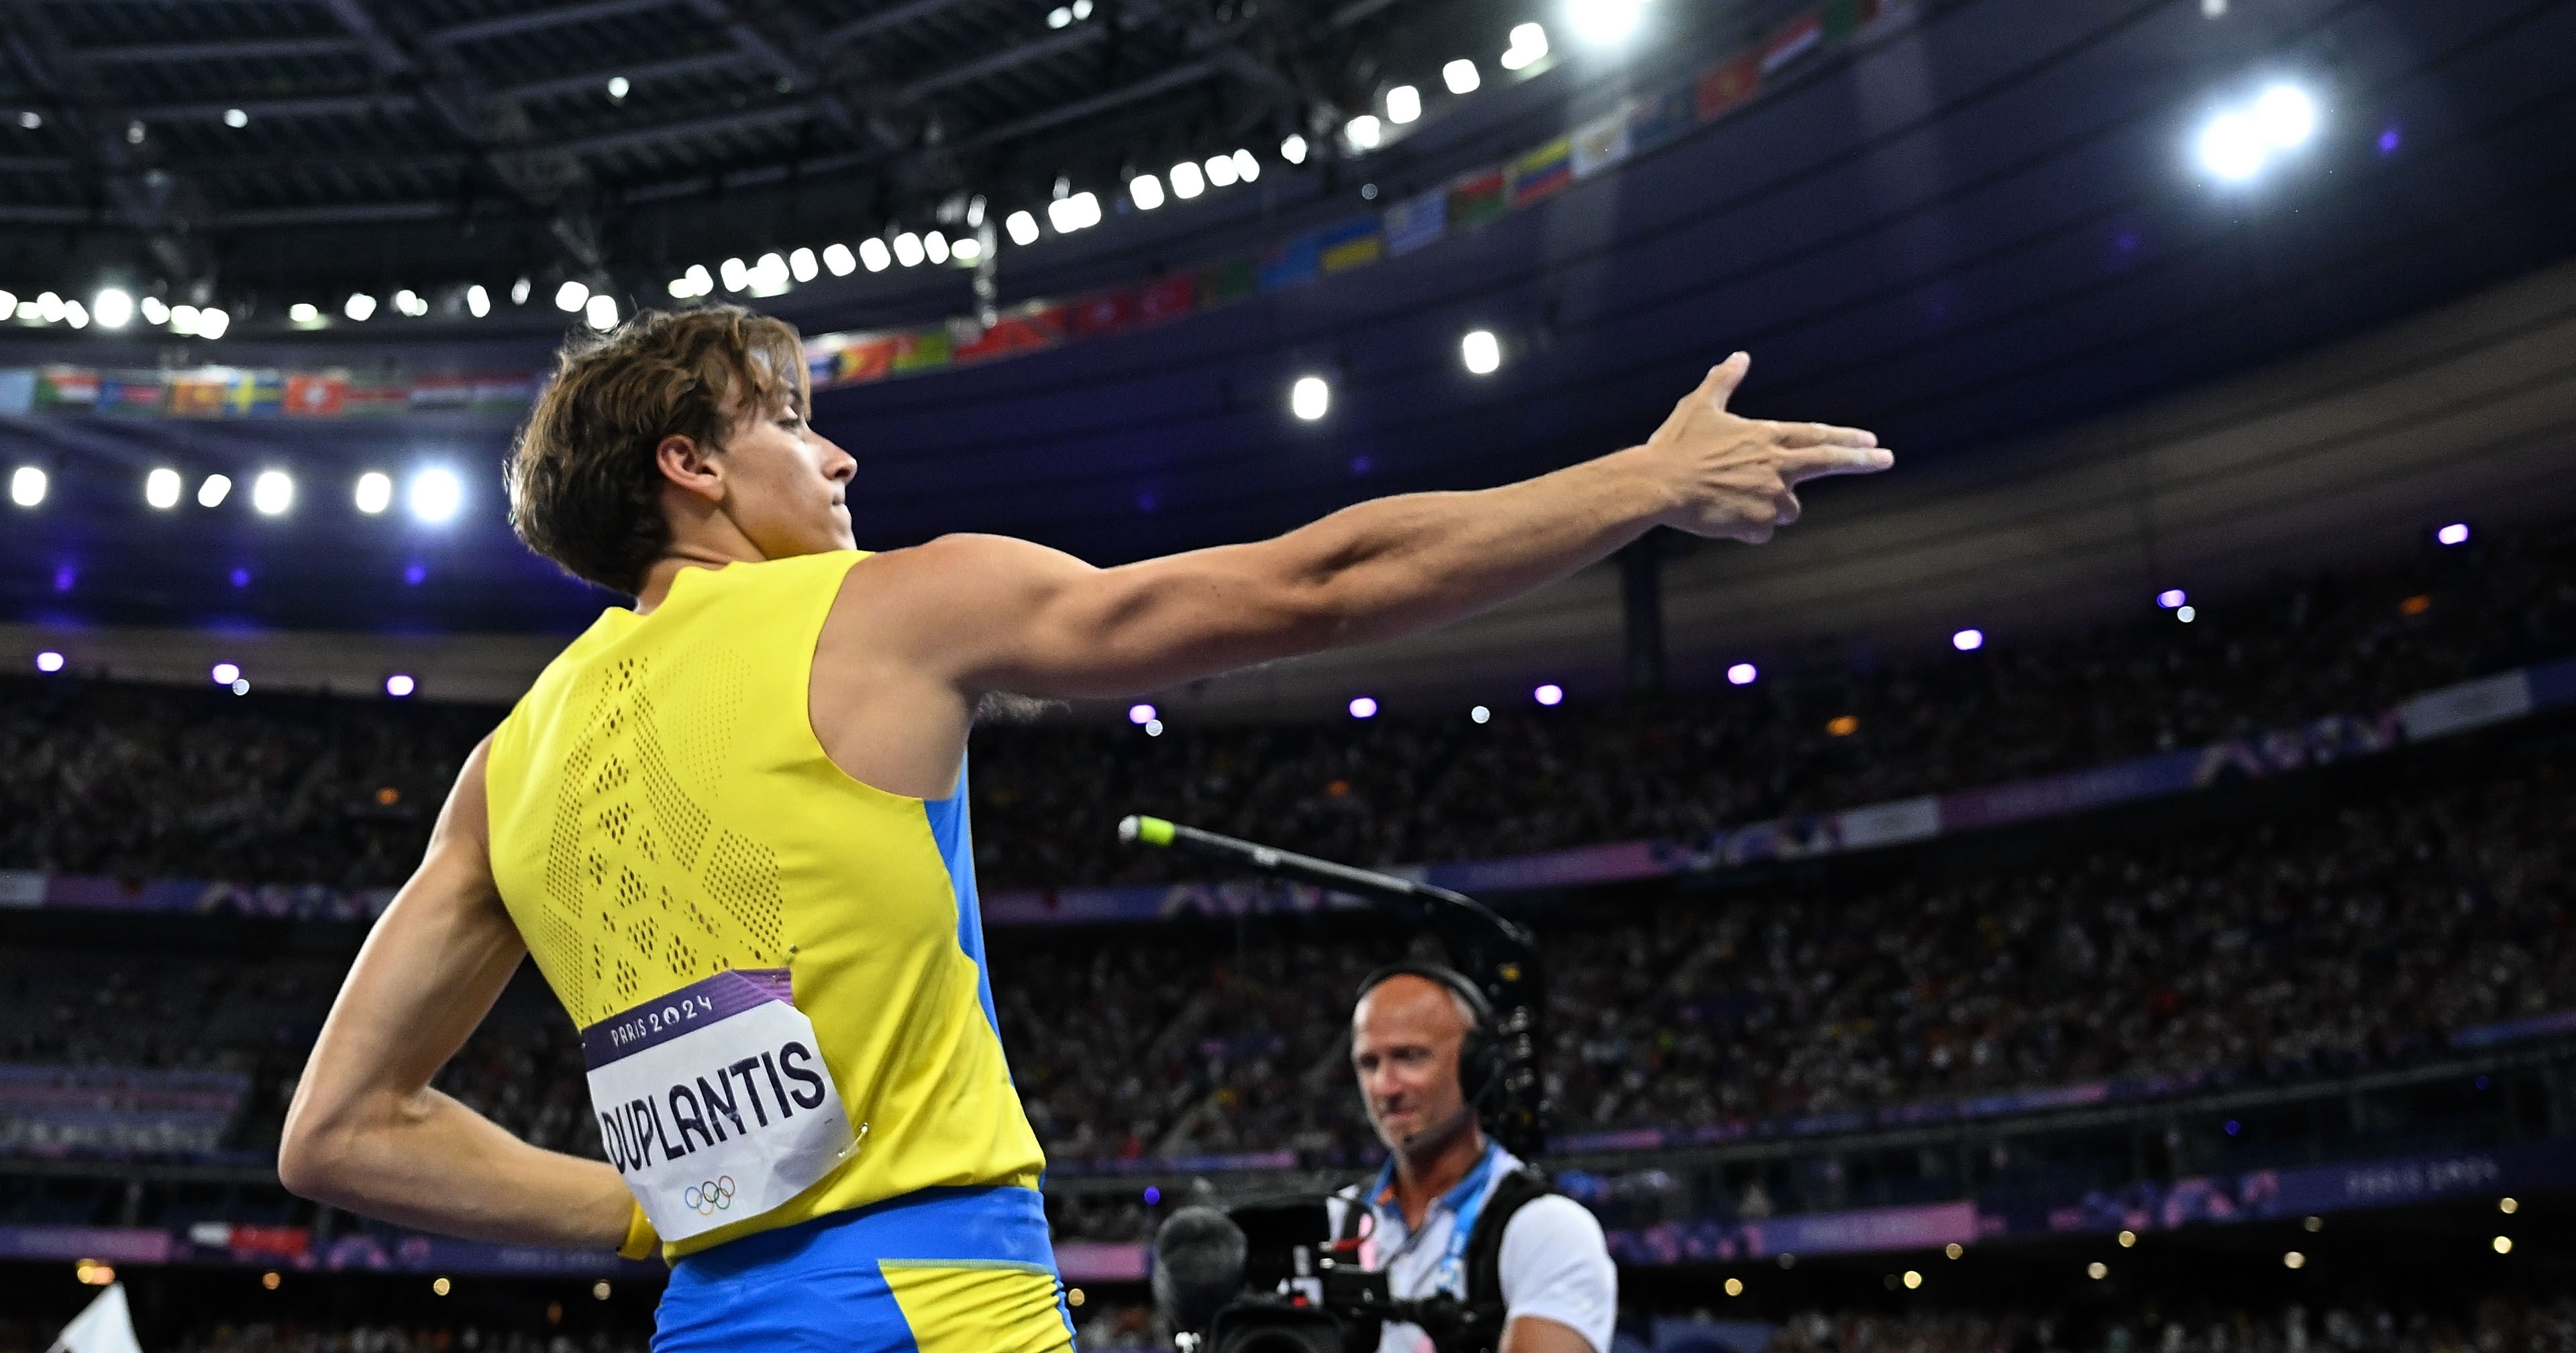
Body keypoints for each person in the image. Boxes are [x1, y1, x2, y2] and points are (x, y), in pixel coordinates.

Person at [277, 305, 1889, 1352]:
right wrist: (1640, 479)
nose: (836, 450)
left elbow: (339, 1130)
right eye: (786, 419)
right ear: (689, 465)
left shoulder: (507, 765)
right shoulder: (884, 608)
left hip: (709, 1316)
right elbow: (1307, 584)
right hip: (936, 1295)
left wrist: (645, 1206)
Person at [1331, 968, 1614, 1353]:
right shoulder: (1333, 1225)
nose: (1385, 1087)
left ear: (1476, 1066)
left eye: (1409, 1057)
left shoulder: (1547, 1230)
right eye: (1369, 1064)